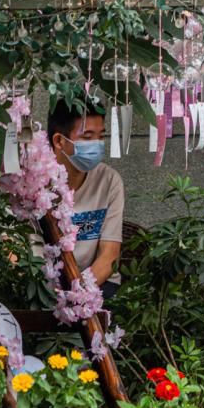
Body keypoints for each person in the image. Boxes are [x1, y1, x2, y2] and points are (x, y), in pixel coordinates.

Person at [46, 103, 124, 297]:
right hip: (44, 288)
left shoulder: (109, 180)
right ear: (59, 141)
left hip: (97, 284)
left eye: (101, 136)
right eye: (87, 137)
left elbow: (109, 255)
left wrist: (78, 293)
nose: (97, 144)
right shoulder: (33, 183)